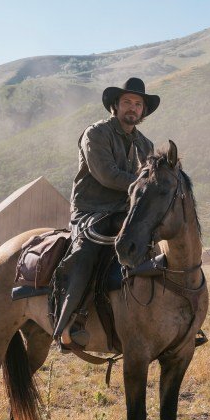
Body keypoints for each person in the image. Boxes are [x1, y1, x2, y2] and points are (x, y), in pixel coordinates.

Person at [53, 77, 158, 347]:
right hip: (93, 210)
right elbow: (107, 174)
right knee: (86, 251)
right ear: (115, 105)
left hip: (125, 212)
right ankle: (70, 322)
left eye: (138, 104)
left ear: (143, 111)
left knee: (158, 246)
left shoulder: (146, 145)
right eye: (127, 102)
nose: (132, 108)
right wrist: (144, 185)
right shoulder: (96, 133)